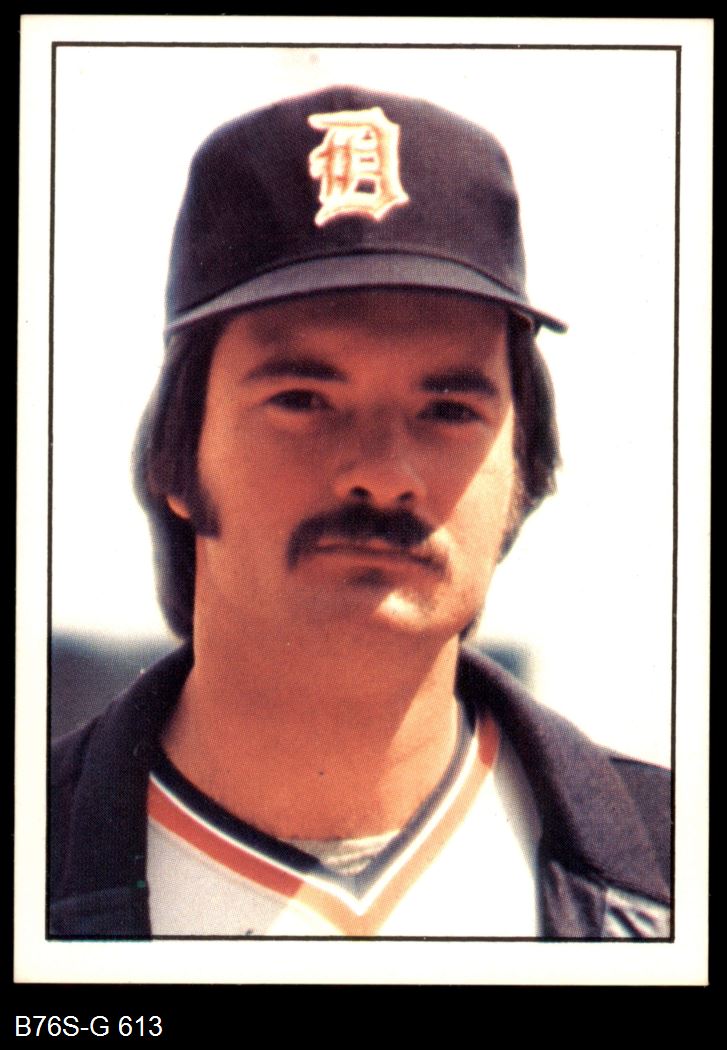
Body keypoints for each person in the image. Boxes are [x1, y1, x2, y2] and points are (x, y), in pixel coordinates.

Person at [50, 85, 671, 939]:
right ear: (176, 457)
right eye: (303, 399)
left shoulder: (678, 876)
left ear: (522, 472)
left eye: (447, 410)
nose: (382, 475)